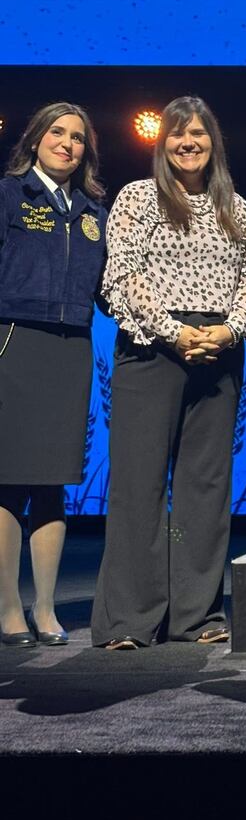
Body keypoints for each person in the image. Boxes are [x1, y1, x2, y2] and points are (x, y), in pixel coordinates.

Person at [91, 97, 246, 649]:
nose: (187, 142)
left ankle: (195, 615)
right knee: (138, 483)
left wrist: (228, 330)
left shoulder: (234, 207)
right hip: (152, 350)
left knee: (205, 485)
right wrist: (175, 332)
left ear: (213, 142)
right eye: (177, 134)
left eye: (198, 133)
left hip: (219, 351)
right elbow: (123, 275)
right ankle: (129, 620)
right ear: (162, 143)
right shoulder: (137, 199)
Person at [0, 102, 106, 647]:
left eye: (78, 138)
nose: (67, 143)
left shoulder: (92, 210)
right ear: (36, 137)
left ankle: (45, 609)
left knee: (53, 483)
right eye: (57, 133)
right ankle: (8, 609)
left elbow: (110, 288)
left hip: (71, 348)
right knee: (9, 480)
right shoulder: (8, 194)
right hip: (16, 342)